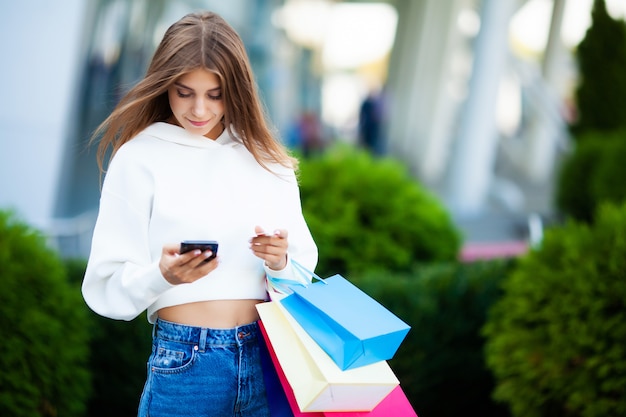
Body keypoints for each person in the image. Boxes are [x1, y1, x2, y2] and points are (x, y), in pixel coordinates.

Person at [81, 11, 318, 417]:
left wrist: (279, 260)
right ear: (164, 86)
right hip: (187, 361)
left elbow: (303, 273)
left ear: (238, 91)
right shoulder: (138, 158)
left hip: (266, 357)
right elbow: (105, 286)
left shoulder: (269, 161)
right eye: (184, 91)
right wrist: (163, 274)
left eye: (215, 94)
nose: (199, 109)